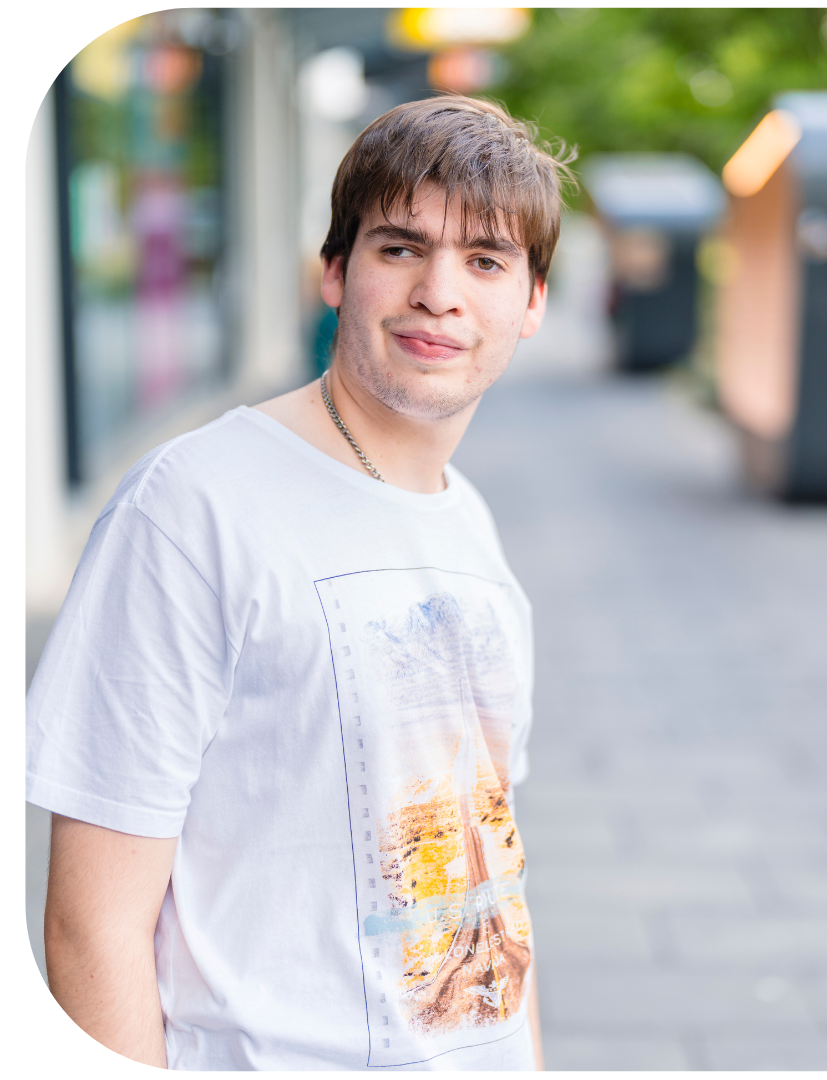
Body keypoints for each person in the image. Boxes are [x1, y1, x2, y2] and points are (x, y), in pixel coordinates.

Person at [27, 95, 576, 1071]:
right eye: (401, 248)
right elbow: (90, 928)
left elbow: (493, 876)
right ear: (335, 272)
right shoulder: (192, 507)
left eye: (486, 260)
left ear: (532, 303)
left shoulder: (470, 527)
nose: (440, 293)